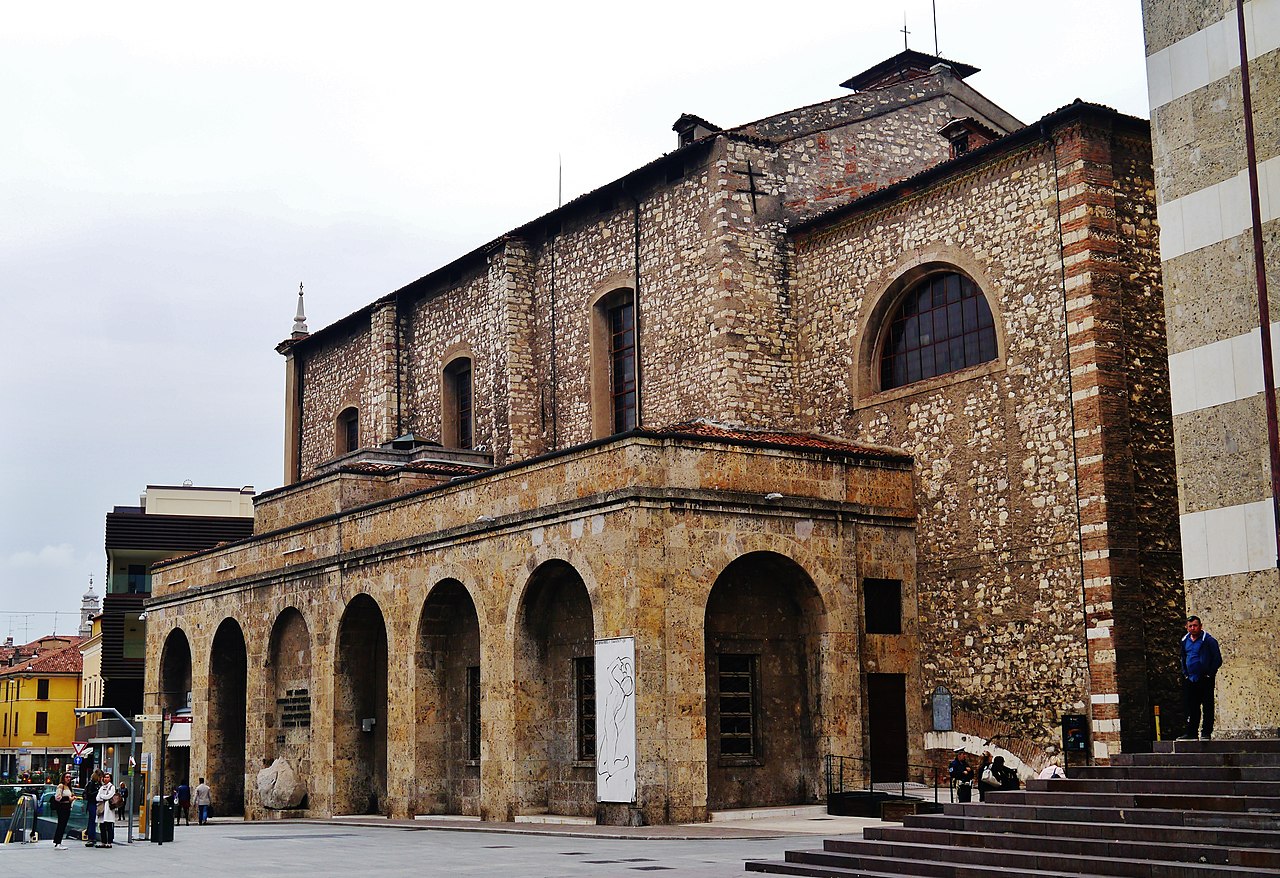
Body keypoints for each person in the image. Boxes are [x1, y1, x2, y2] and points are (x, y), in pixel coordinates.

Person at [1180, 615, 1223, 740]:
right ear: (1186, 627)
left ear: (1200, 626)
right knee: (1192, 706)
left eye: (1195, 625)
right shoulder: (1185, 641)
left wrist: (1210, 673)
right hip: (1191, 678)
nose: (1193, 628)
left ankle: (1206, 732)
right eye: (1190, 626)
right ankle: (1191, 732)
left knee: (1207, 705)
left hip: (1205, 678)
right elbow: (1183, 657)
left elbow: (1217, 659)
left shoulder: (1208, 641)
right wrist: (1186, 673)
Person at [51, 772, 75, 850]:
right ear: (63, 778)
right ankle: (58, 842)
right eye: (67, 777)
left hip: (67, 807)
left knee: (63, 825)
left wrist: (71, 799)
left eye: (69, 777)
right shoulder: (61, 786)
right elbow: (57, 797)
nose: (68, 778)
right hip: (62, 807)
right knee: (61, 825)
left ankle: (58, 842)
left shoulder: (68, 787)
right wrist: (68, 799)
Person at [95, 771, 118, 848]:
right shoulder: (102, 787)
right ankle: (103, 841)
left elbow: (109, 796)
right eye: (105, 777)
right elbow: (97, 797)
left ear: (110, 778)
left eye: (108, 777)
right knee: (102, 826)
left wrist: (102, 796)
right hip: (102, 809)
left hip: (108, 809)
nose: (106, 779)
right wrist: (103, 797)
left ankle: (109, 842)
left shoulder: (112, 787)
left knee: (109, 826)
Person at [83, 768, 103, 847]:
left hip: (95, 804)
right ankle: (91, 838)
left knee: (93, 821)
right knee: (92, 821)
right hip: (92, 803)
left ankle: (90, 834)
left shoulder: (97, 784)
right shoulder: (92, 784)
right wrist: (98, 792)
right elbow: (89, 794)